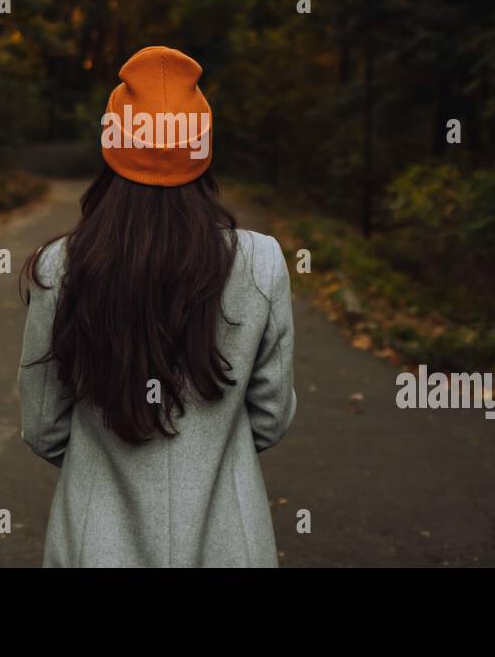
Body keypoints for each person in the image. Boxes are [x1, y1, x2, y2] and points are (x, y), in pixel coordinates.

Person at [18, 45, 297, 567]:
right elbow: (271, 416)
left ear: (112, 146)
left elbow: (42, 426)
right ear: (202, 148)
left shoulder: (59, 267)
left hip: (95, 544)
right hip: (230, 546)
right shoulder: (262, 263)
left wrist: (101, 469)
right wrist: (209, 459)